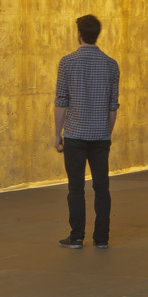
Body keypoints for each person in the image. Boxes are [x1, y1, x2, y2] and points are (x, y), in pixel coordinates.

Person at [53, 13, 119, 249]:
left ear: (79, 34)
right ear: (96, 35)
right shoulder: (111, 64)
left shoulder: (67, 62)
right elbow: (113, 106)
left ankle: (77, 236)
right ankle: (101, 238)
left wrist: (57, 133)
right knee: (102, 188)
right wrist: (106, 132)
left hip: (75, 135)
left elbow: (61, 102)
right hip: (100, 136)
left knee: (75, 188)